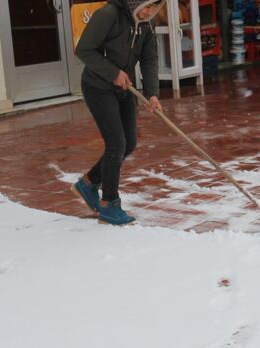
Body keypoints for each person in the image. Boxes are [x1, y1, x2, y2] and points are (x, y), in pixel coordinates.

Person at [72, 0, 165, 225]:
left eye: (155, 7)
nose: (149, 12)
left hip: (124, 87)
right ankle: (109, 205)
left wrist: (152, 93)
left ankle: (88, 183)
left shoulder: (145, 24)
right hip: (98, 87)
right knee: (116, 144)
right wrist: (113, 73)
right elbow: (83, 49)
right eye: (147, 6)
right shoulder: (108, 14)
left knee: (129, 142)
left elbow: (149, 58)